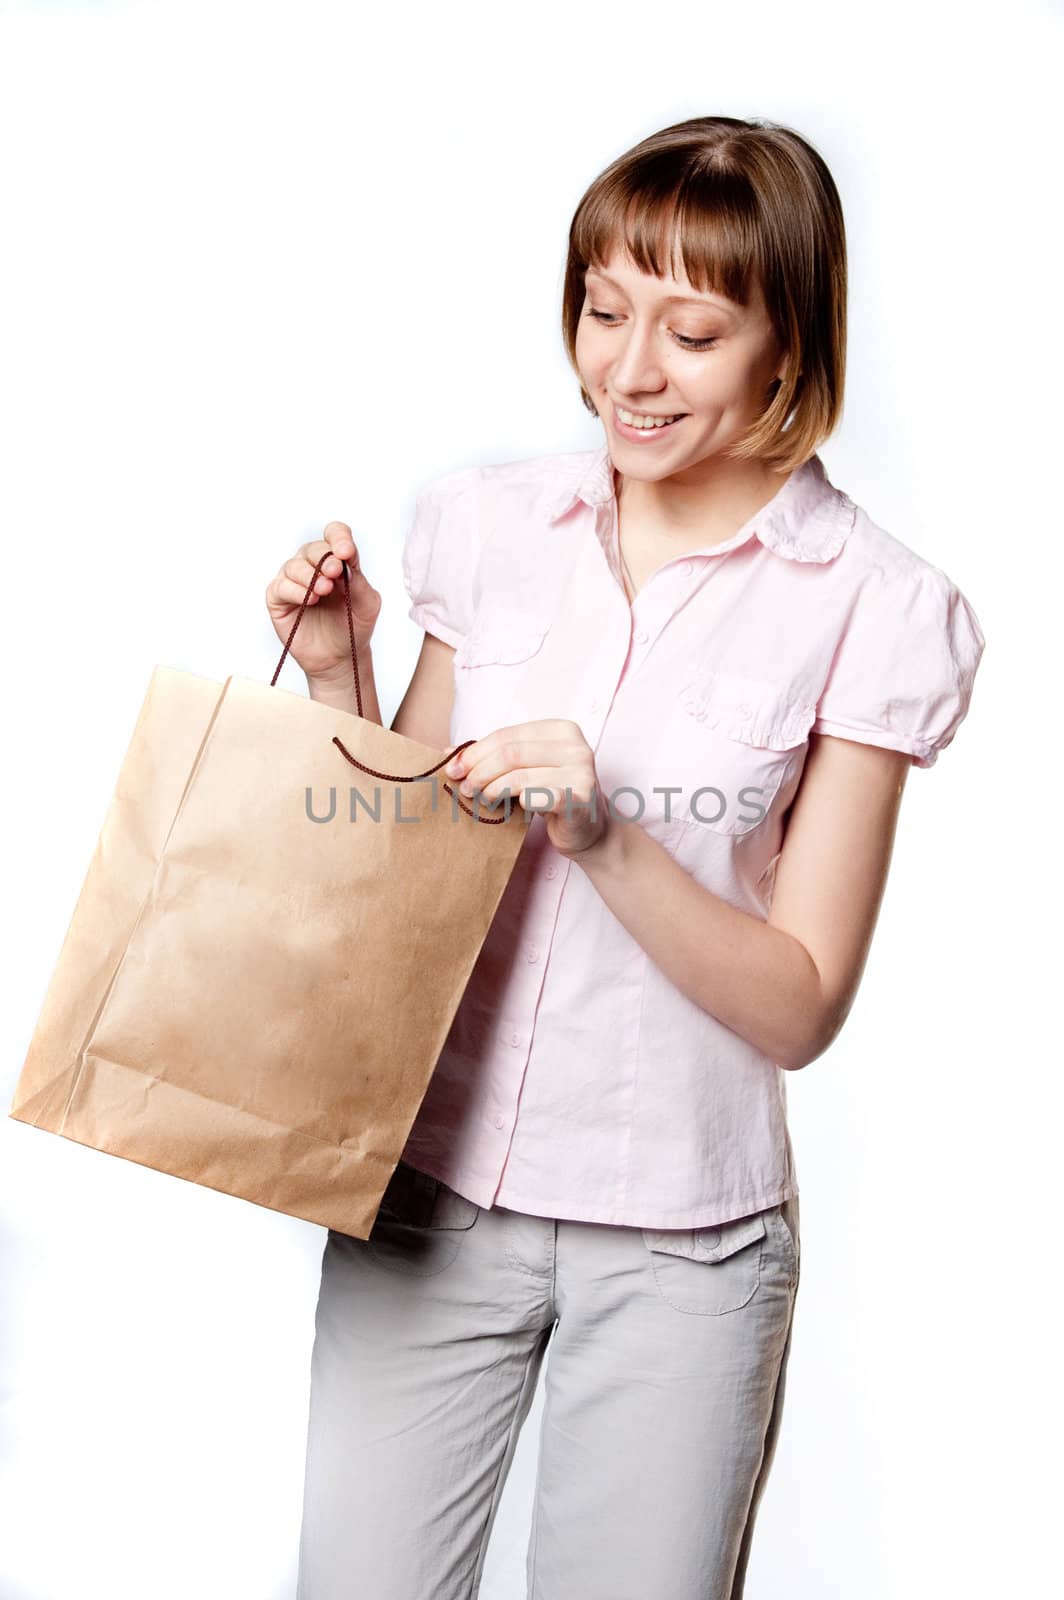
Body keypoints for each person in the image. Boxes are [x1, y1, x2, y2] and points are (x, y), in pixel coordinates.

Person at [266, 115, 985, 1600]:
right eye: (605, 312)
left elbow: (801, 1002)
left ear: (790, 344)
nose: (631, 372)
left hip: (683, 1254)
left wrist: (609, 842)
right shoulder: (491, 525)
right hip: (426, 1201)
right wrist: (341, 679)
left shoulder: (871, 603)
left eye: (694, 331)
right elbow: (402, 873)